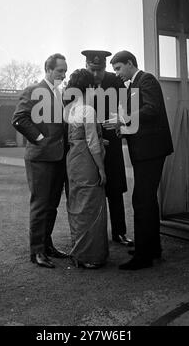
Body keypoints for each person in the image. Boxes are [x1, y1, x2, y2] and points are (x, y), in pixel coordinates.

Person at [105, 50, 173, 270]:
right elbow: (139, 119)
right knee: (146, 199)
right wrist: (121, 128)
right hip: (146, 150)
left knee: (141, 200)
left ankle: (144, 256)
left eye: (118, 68)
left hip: (150, 151)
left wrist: (122, 119)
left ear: (130, 63)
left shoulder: (146, 79)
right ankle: (151, 248)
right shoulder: (135, 84)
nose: (116, 74)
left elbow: (151, 110)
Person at [12, 54, 68, 269]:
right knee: (41, 205)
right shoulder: (33, 90)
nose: (63, 75)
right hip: (40, 158)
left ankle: (47, 245)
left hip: (58, 158)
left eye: (64, 71)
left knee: (52, 205)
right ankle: (37, 252)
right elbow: (19, 119)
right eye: (59, 71)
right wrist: (40, 139)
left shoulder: (59, 93)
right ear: (48, 69)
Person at [81, 50, 133, 246]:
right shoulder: (78, 79)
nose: (96, 74)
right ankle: (93, 234)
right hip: (89, 141)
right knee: (91, 190)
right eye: (92, 69)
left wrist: (122, 123)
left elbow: (128, 106)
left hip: (111, 140)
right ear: (87, 67)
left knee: (115, 188)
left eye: (100, 70)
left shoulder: (114, 79)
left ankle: (120, 232)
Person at [65, 69, 108, 269]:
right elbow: (92, 143)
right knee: (90, 204)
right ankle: (90, 255)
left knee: (77, 204)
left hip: (73, 159)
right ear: (90, 87)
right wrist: (101, 169)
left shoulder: (69, 109)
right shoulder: (88, 109)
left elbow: (77, 137)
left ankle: (79, 252)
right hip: (87, 161)